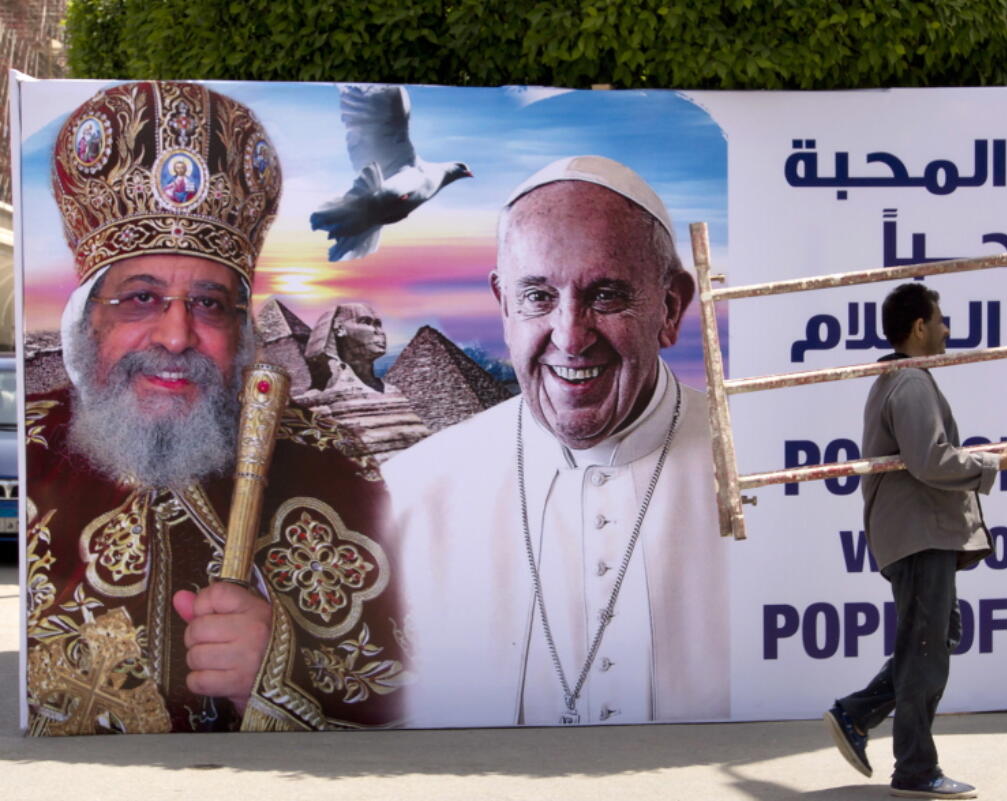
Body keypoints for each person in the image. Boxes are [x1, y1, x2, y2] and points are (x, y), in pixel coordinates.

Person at [25, 81, 407, 735]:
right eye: (141, 298)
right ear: (88, 322)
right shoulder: (34, 447)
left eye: (208, 303)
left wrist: (281, 671)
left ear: (242, 331)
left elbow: (417, 704)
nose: (176, 337)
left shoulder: (336, 465)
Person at [381, 155, 729, 727]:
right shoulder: (406, 499)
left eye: (607, 296)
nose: (570, 336)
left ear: (670, 309)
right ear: (503, 305)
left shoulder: (775, 474)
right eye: (538, 297)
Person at [824, 283, 1007, 799]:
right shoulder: (911, 384)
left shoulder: (900, 380)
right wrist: (1000, 462)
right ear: (919, 327)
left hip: (916, 532)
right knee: (925, 647)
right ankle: (915, 770)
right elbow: (931, 461)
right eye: (940, 320)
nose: (946, 329)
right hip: (917, 534)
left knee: (937, 638)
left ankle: (856, 712)